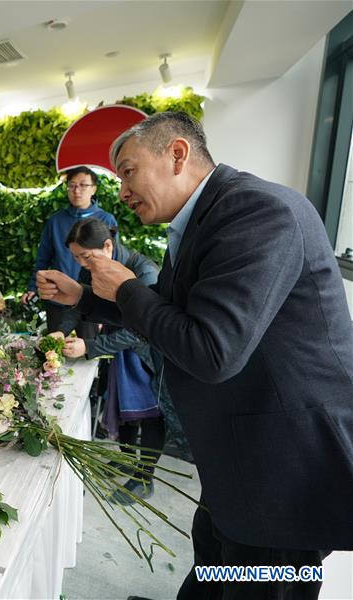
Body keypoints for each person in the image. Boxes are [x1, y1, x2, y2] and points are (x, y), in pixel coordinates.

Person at [37, 111, 353, 599]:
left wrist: (124, 290)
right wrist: (82, 298)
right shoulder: (204, 219)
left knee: (261, 583)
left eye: (127, 170)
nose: (120, 190)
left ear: (177, 154)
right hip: (238, 455)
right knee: (214, 560)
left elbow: (212, 350)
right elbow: (165, 312)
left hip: (284, 469)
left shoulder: (257, 211)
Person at [57, 217, 167, 503]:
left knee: (150, 416)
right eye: (76, 257)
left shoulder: (145, 272)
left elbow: (141, 331)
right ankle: (129, 462)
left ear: (108, 245)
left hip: (146, 355)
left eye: (86, 256)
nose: (81, 263)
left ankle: (145, 478)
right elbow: (79, 302)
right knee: (126, 412)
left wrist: (91, 346)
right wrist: (60, 332)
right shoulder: (91, 266)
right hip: (119, 352)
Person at [22, 166, 117, 338]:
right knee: (53, 348)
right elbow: (43, 257)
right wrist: (33, 287)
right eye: (72, 185)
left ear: (93, 188)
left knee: (89, 347)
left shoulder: (106, 220)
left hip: (91, 297)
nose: (77, 190)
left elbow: (113, 261)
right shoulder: (56, 221)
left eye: (83, 185)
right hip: (58, 297)